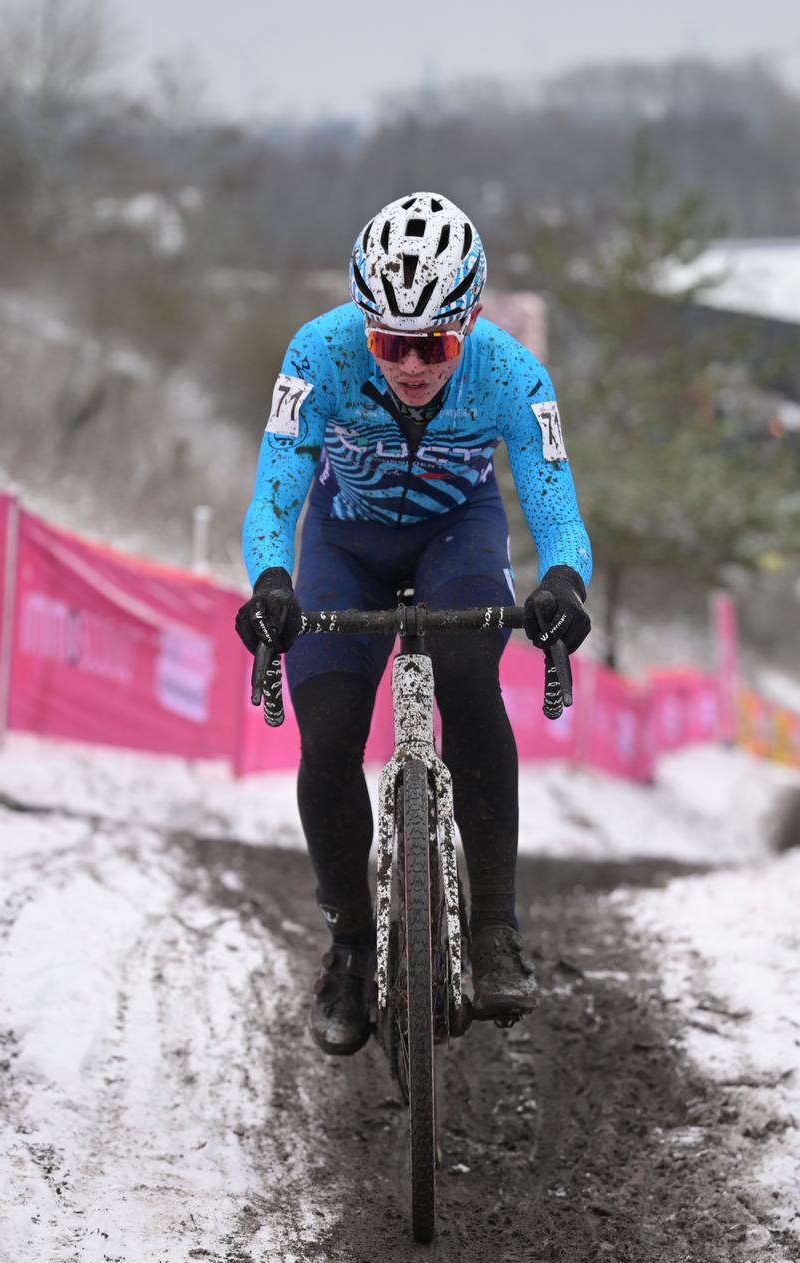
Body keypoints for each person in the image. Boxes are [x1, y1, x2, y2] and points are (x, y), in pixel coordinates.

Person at [235, 192, 594, 1056]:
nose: (408, 365)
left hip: (455, 535)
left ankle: (495, 928)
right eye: (388, 342)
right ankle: (350, 948)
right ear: (362, 325)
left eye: (430, 344)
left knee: (472, 687)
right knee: (326, 740)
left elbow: (555, 505)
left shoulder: (512, 373)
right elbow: (274, 487)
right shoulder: (317, 354)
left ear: (469, 321)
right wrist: (273, 580)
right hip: (342, 539)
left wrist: (564, 582)